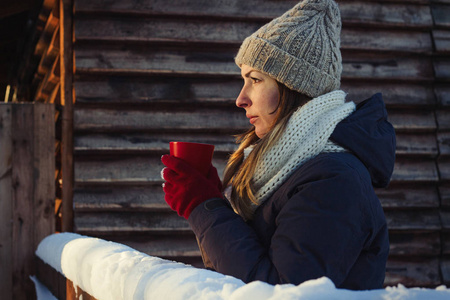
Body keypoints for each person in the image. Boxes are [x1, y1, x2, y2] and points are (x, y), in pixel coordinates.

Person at [161, 0, 395, 290]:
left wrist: (203, 207)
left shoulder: (332, 180)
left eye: (255, 80)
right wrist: (213, 202)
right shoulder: (283, 170)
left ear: (294, 88)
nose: (241, 98)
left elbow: (280, 292)